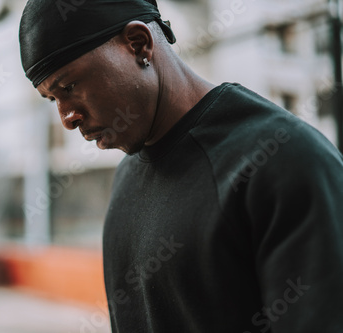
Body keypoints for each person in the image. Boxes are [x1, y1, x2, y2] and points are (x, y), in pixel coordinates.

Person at [19, 0, 343, 332]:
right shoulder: (127, 177)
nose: (66, 119)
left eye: (70, 87)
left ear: (138, 44)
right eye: (52, 99)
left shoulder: (284, 161)